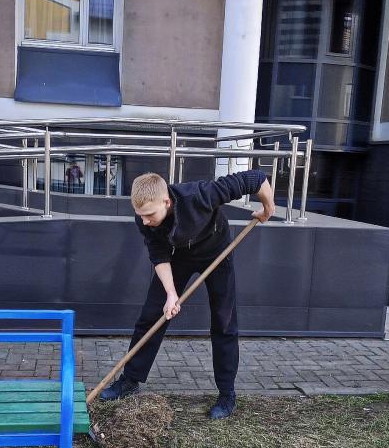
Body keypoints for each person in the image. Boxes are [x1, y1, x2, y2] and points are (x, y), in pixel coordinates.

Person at [99, 170, 275, 420]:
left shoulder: (201, 195)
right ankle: (130, 380)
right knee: (152, 315)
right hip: (178, 256)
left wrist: (268, 208)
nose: (145, 221)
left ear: (166, 202)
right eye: (140, 215)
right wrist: (171, 294)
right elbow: (159, 256)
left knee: (224, 322)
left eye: (150, 215)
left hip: (217, 253)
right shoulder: (144, 219)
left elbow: (256, 179)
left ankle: (227, 394)